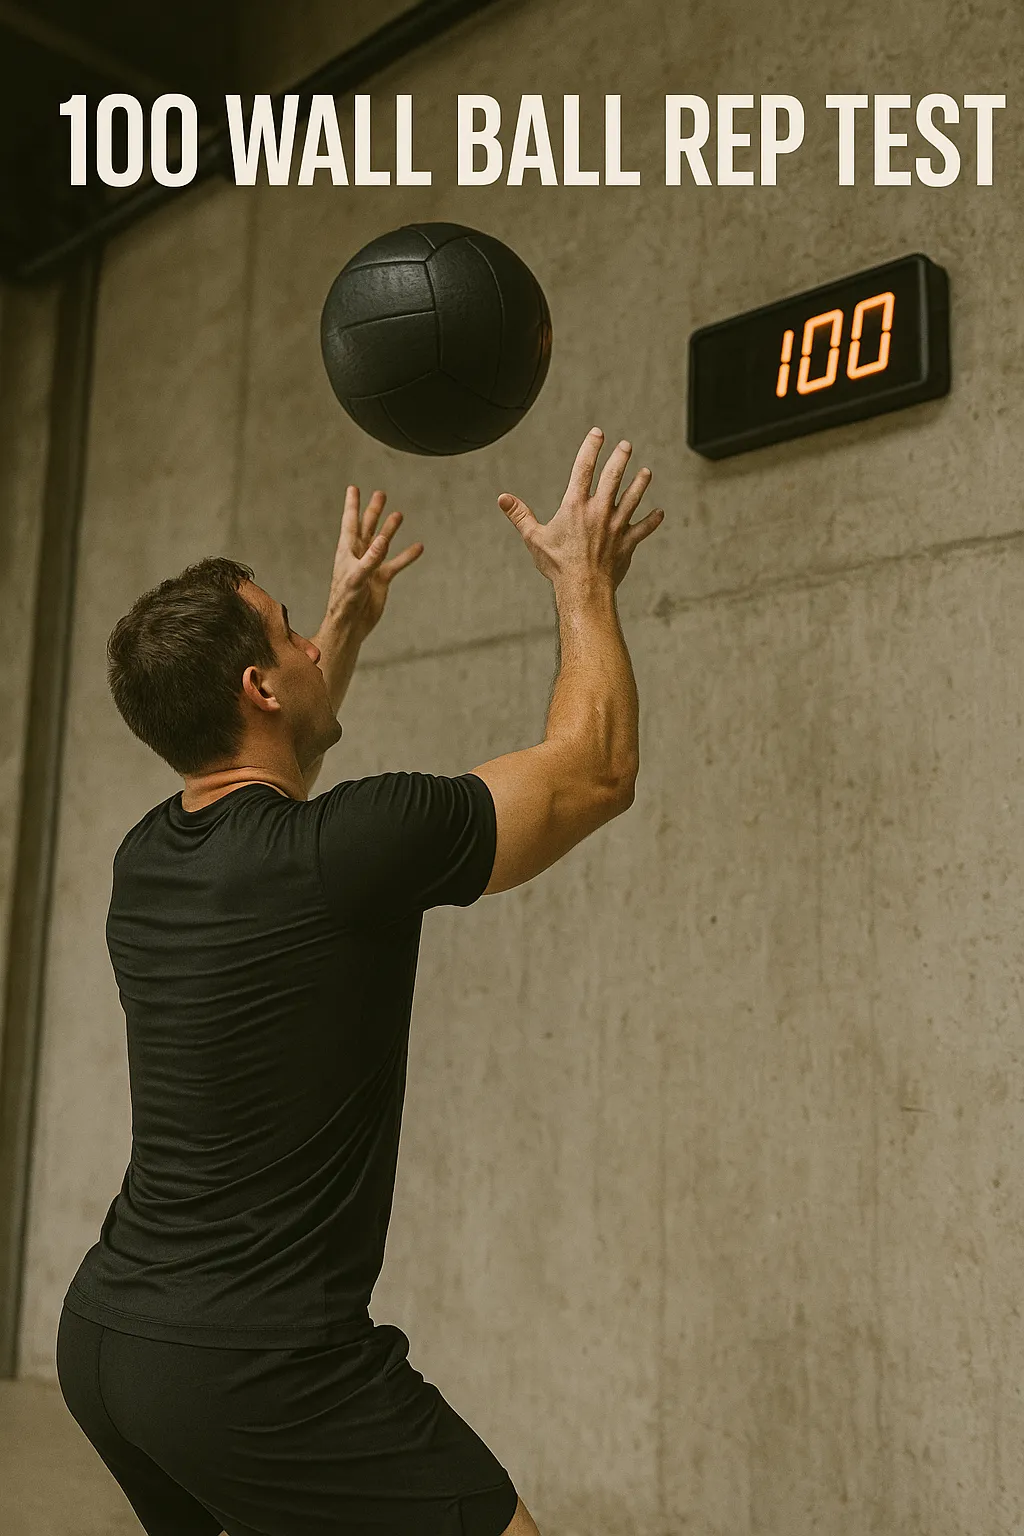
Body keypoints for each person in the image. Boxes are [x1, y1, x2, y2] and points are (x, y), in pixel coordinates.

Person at [55, 427, 664, 1536]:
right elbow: (595, 772)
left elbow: (273, 769)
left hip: (108, 1341)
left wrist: (338, 626)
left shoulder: (147, 856)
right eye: (286, 631)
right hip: (261, 1368)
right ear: (258, 685)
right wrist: (583, 578)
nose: (303, 641)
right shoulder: (355, 846)